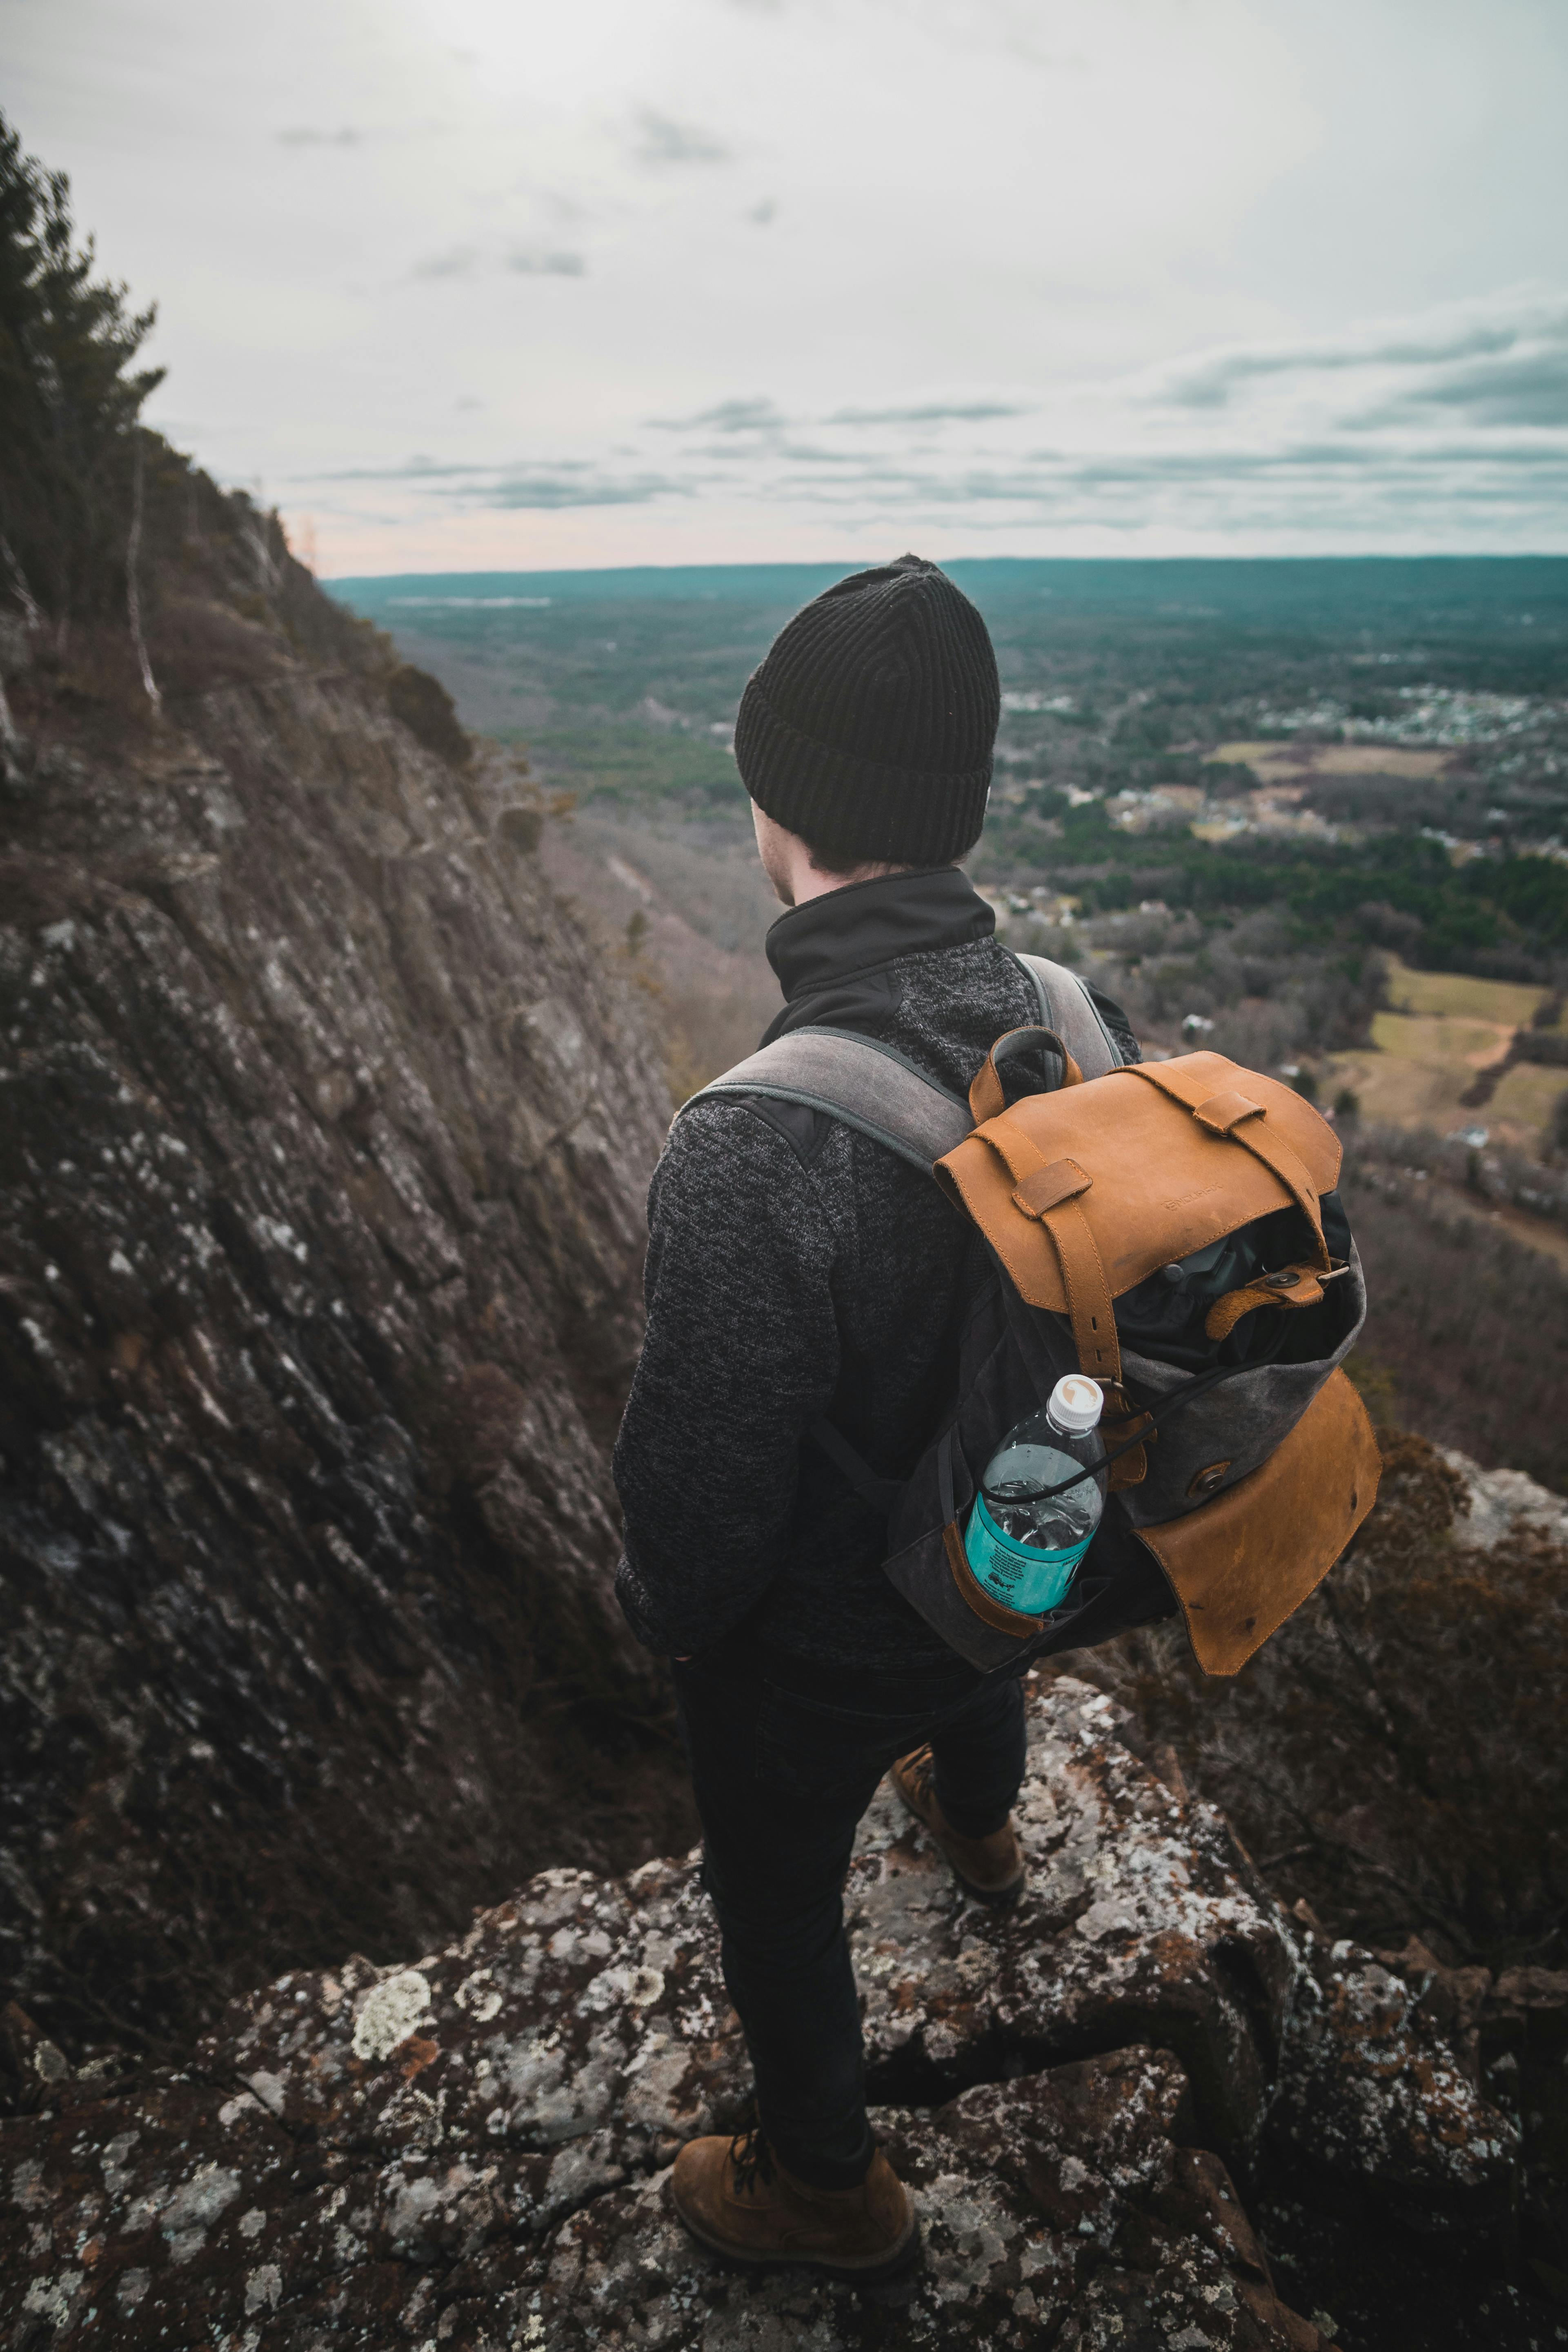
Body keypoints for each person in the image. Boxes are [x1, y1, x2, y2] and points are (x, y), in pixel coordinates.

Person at [612, 555, 1140, 2281]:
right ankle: (982, 1824)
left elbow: (701, 1497)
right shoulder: (1069, 1014)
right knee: (992, 1488)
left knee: (771, 1876)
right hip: (1024, 1552)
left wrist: (685, 1648)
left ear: (778, 799)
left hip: (840, 1637)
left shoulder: (756, 1138)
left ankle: (824, 2181)